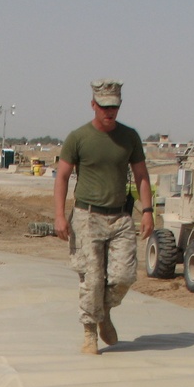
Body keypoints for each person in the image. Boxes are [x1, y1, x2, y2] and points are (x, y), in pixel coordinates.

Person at [53, 78, 154, 354]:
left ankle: (104, 312)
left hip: (120, 217)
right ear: (93, 105)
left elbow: (142, 175)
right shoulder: (78, 138)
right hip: (87, 217)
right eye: (104, 107)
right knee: (92, 279)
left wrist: (147, 212)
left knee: (123, 276)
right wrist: (60, 216)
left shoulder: (129, 137)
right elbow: (62, 176)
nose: (110, 112)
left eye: (115, 107)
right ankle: (90, 334)